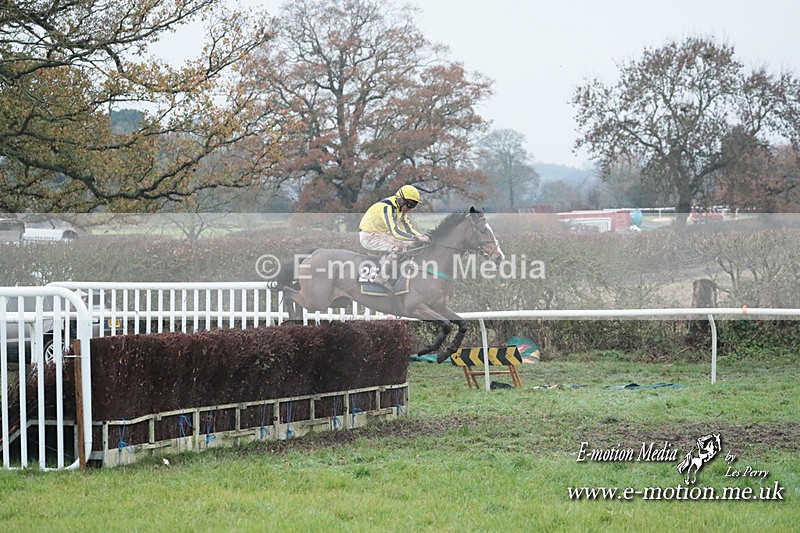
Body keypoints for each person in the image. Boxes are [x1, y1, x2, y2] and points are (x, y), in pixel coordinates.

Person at [358, 185, 431, 289]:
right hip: (368, 236)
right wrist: (418, 238)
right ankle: (381, 278)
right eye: (410, 205)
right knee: (398, 247)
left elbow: (408, 229)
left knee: (410, 244)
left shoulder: (400, 209)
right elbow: (396, 232)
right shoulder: (387, 207)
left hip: (380, 234)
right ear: (401, 200)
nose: (410, 209)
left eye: (414, 206)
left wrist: (421, 236)